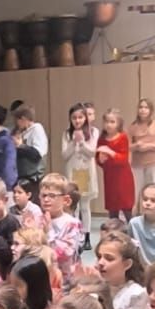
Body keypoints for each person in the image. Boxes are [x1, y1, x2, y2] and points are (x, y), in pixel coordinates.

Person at [95, 230, 147, 309]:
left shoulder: (136, 294)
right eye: (99, 257)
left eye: (109, 258)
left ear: (127, 264)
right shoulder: (97, 287)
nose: (101, 263)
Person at [60, 101, 98, 237]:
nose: (77, 120)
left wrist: (82, 142)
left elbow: (92, 153)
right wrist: (73, 142)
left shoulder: (93, 132)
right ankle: (75, 233)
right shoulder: (66, 134)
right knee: (73, 205)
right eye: (74, 118)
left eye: (80, 117)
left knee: (85, 206)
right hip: (72, 173)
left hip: (86, 173)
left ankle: (86, 235)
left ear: (85, 118)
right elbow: (64, 155)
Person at [38, 173, 83, 283]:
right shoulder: (38, 220)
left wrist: (49, 231)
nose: (46, 199)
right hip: (42, 277)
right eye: (43, 195)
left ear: (66, 200)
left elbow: (65, 253)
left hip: (65, 280)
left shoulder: (72, 223)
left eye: (52, 196)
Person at [96, 108, 134, 221]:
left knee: (126, 206)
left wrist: (110, 152)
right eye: (106, 122)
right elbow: (99, 160)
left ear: (118, 124)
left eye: (112, 122)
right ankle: (113, 229)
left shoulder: (122, 137)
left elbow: (123, 159)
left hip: (123, 177)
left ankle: (132, 229)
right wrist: (100, 159)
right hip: (110, 178)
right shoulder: (102, 139)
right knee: (112, 208)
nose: (109, 125)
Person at [128, 97, 155, 198]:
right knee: (136, 193)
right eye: (141, 107)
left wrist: (148, 146)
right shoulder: (132, 126)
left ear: (150, 110)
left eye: (146, 107)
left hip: (154, 163)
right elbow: (128, 146)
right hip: (137, 165)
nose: (143, 110)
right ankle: (136, 209)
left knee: (153, 191)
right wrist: (137, 146)